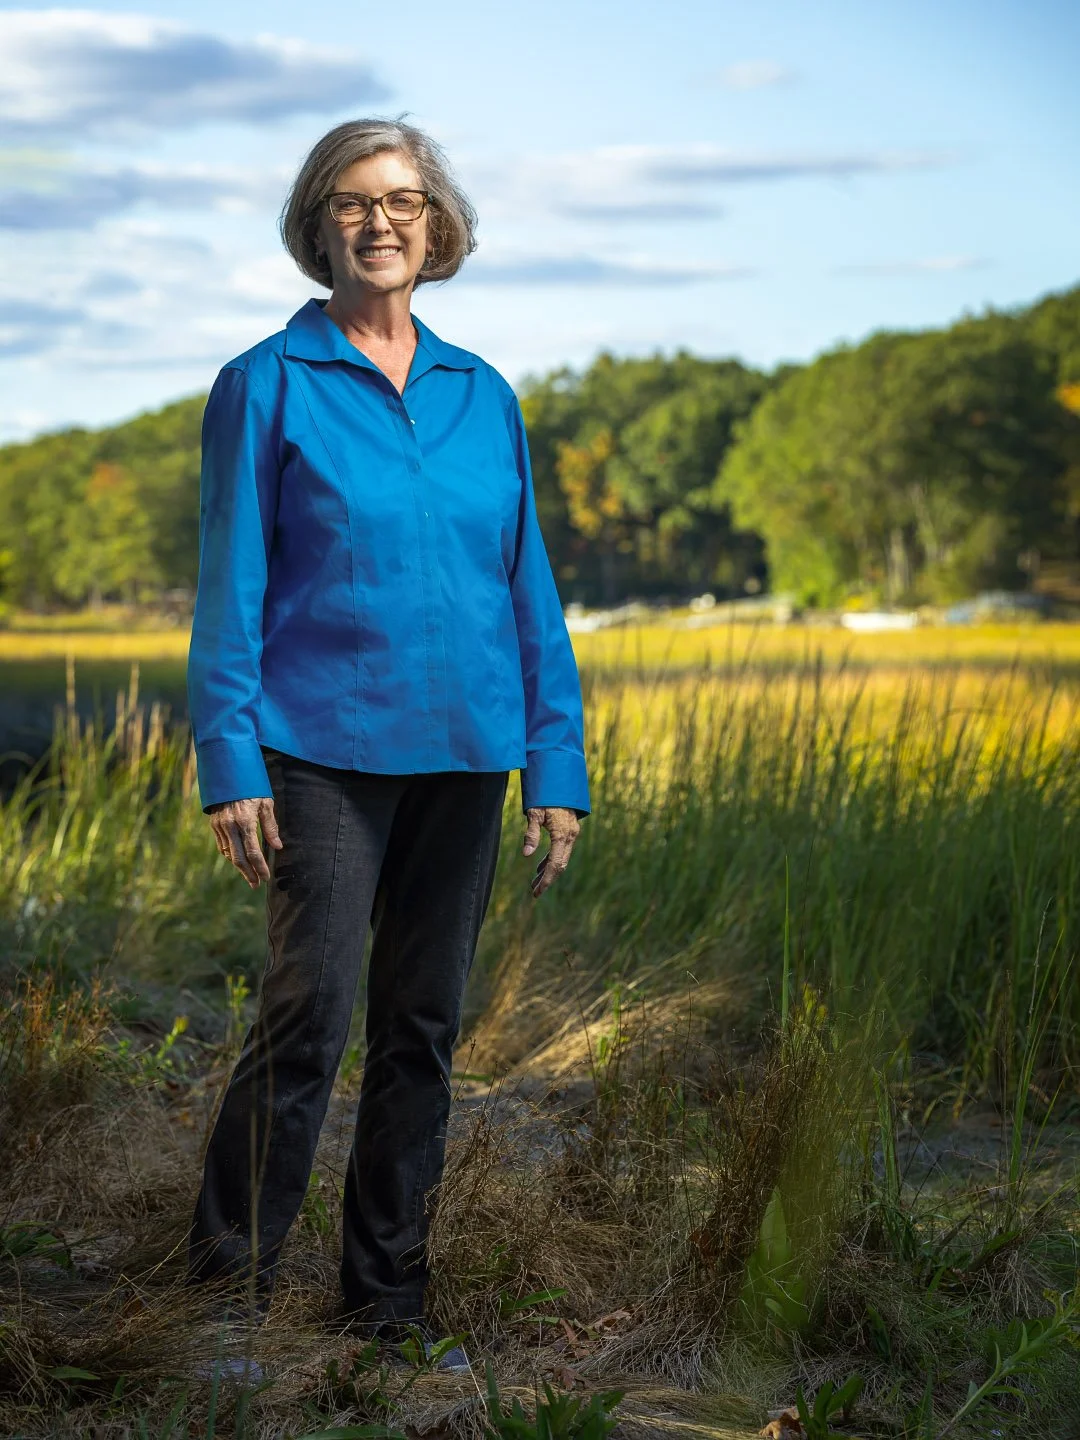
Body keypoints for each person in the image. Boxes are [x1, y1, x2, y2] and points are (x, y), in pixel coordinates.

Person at [183, 115, 590, 1375]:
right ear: (319, 224)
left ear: (437, 224)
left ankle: (386, 1303)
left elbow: (528, 589)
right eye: (355, 202)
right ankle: (222, 1297)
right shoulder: (269, 383)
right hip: (320, 753)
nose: (381, 221)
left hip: (466, 754)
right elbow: (231, 586)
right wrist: (229, 757)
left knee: (422, 1030)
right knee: (309, 1017)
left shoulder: (485, 395)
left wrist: (556, 763)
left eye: (404, 200)